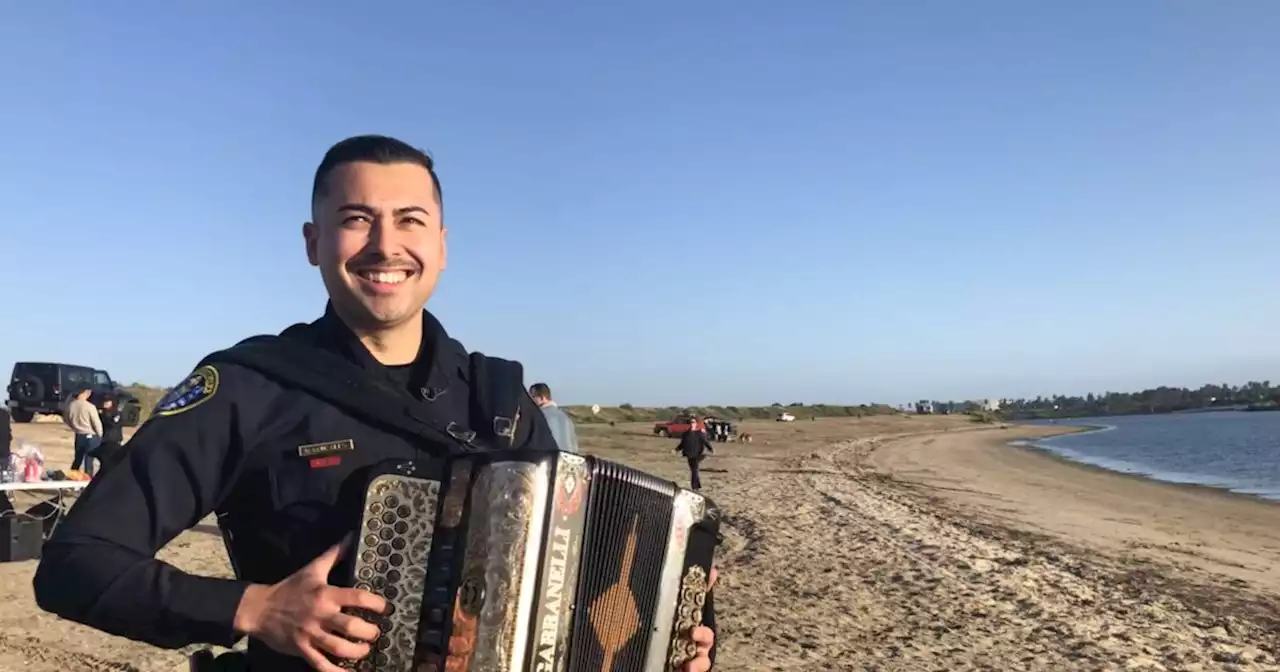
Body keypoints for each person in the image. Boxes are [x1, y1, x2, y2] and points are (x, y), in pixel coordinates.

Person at [33, 135, 716, 672]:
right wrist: (252, 608)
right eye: (356, 220)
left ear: (442, 247)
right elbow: (75, 563)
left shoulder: (503, 402)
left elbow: (568, 583)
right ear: (313, 243)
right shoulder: (247, 386)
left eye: (410, 221)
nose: (386, 246)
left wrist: (669, 646)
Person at [528, 382, 579, 453]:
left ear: (542, 398)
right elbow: (574, 446)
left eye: (532, 397)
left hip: (547, 461)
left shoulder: (537, 417)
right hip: (567, 461)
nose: (530, 401)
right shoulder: (566, 416)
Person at [63, 387, 103, 477]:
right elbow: (96, 423)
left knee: (77, 459)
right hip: (91, 435)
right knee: (89, 461)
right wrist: (100, 435)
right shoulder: (90, 406)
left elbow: (66, 419)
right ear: (85, 392)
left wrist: (74, 427)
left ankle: (72, 478)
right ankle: (88, 481)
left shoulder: (70, 405)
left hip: (79, 435)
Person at [675, 418, 714, 490]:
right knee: (693, 470)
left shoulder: (700, 433)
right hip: (689, 454)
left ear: (696, 424)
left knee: (694, 470)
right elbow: (682, 444)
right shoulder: (686, 434)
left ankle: (694, 487)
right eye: (690, 422)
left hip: (697, 454)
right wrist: (676, 450)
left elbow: (705, 442)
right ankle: (697, 485)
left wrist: (710, 448)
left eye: (693, 422)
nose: (692, 424)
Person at [95, 397, 126, 473]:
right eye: (104, 402)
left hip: (113, 440)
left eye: (107, 402)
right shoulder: (101, 413)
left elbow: (114, 425)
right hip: (104, 440)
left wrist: (104, 416)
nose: (105, 403)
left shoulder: (116, 413)